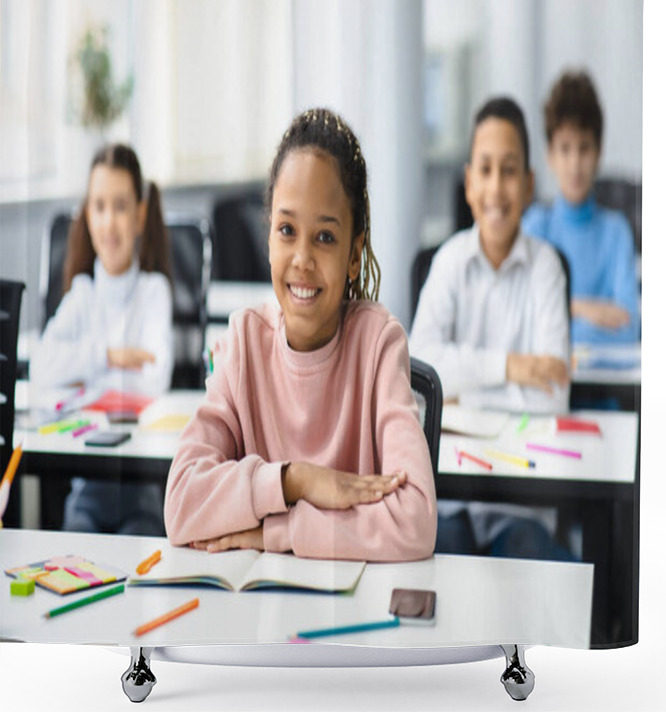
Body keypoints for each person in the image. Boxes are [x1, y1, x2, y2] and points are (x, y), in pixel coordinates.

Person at [164, 108, 437, 562]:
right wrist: (296, 480)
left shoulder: (379, 345)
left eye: (326, 237)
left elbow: (415, 522)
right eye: (287, 231)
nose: (302, 259)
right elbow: (181, 505)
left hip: (355, 619)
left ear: (354, 255)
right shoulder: (244, 343)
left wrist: (279, 530)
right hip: (258, 614)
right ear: (268, 237)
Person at [409, 97, 573, 560]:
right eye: (485, 169)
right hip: (451, 501)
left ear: (528, 185)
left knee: (540, 568)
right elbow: (420, 373)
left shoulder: (547, 268)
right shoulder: (448, 262)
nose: (496, 187)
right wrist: (513, 367)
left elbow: (553, 394)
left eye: (509, 170)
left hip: (523, 504)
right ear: (468, 183)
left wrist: (459, 395)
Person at [30, 143, 174, 535]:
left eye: (121, 207)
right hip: (85, 496)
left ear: (141, 214)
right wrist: (111, 356)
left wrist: (83, 379)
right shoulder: (82, 294)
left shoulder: (153, 291)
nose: (109, 223)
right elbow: (41, 368)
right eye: (99, 207)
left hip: (143, 495)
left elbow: (153, 377)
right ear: (87, 216)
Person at [522, 71, 640, 344]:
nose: (575, 164)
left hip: (607, 385)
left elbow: (629, 331)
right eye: (565, 149)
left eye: (584, 148)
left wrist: (558, 311)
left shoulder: (616, 232)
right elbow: (525, 321)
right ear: (550, 155)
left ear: (598, 153)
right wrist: (588, 309)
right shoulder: (535, 227)